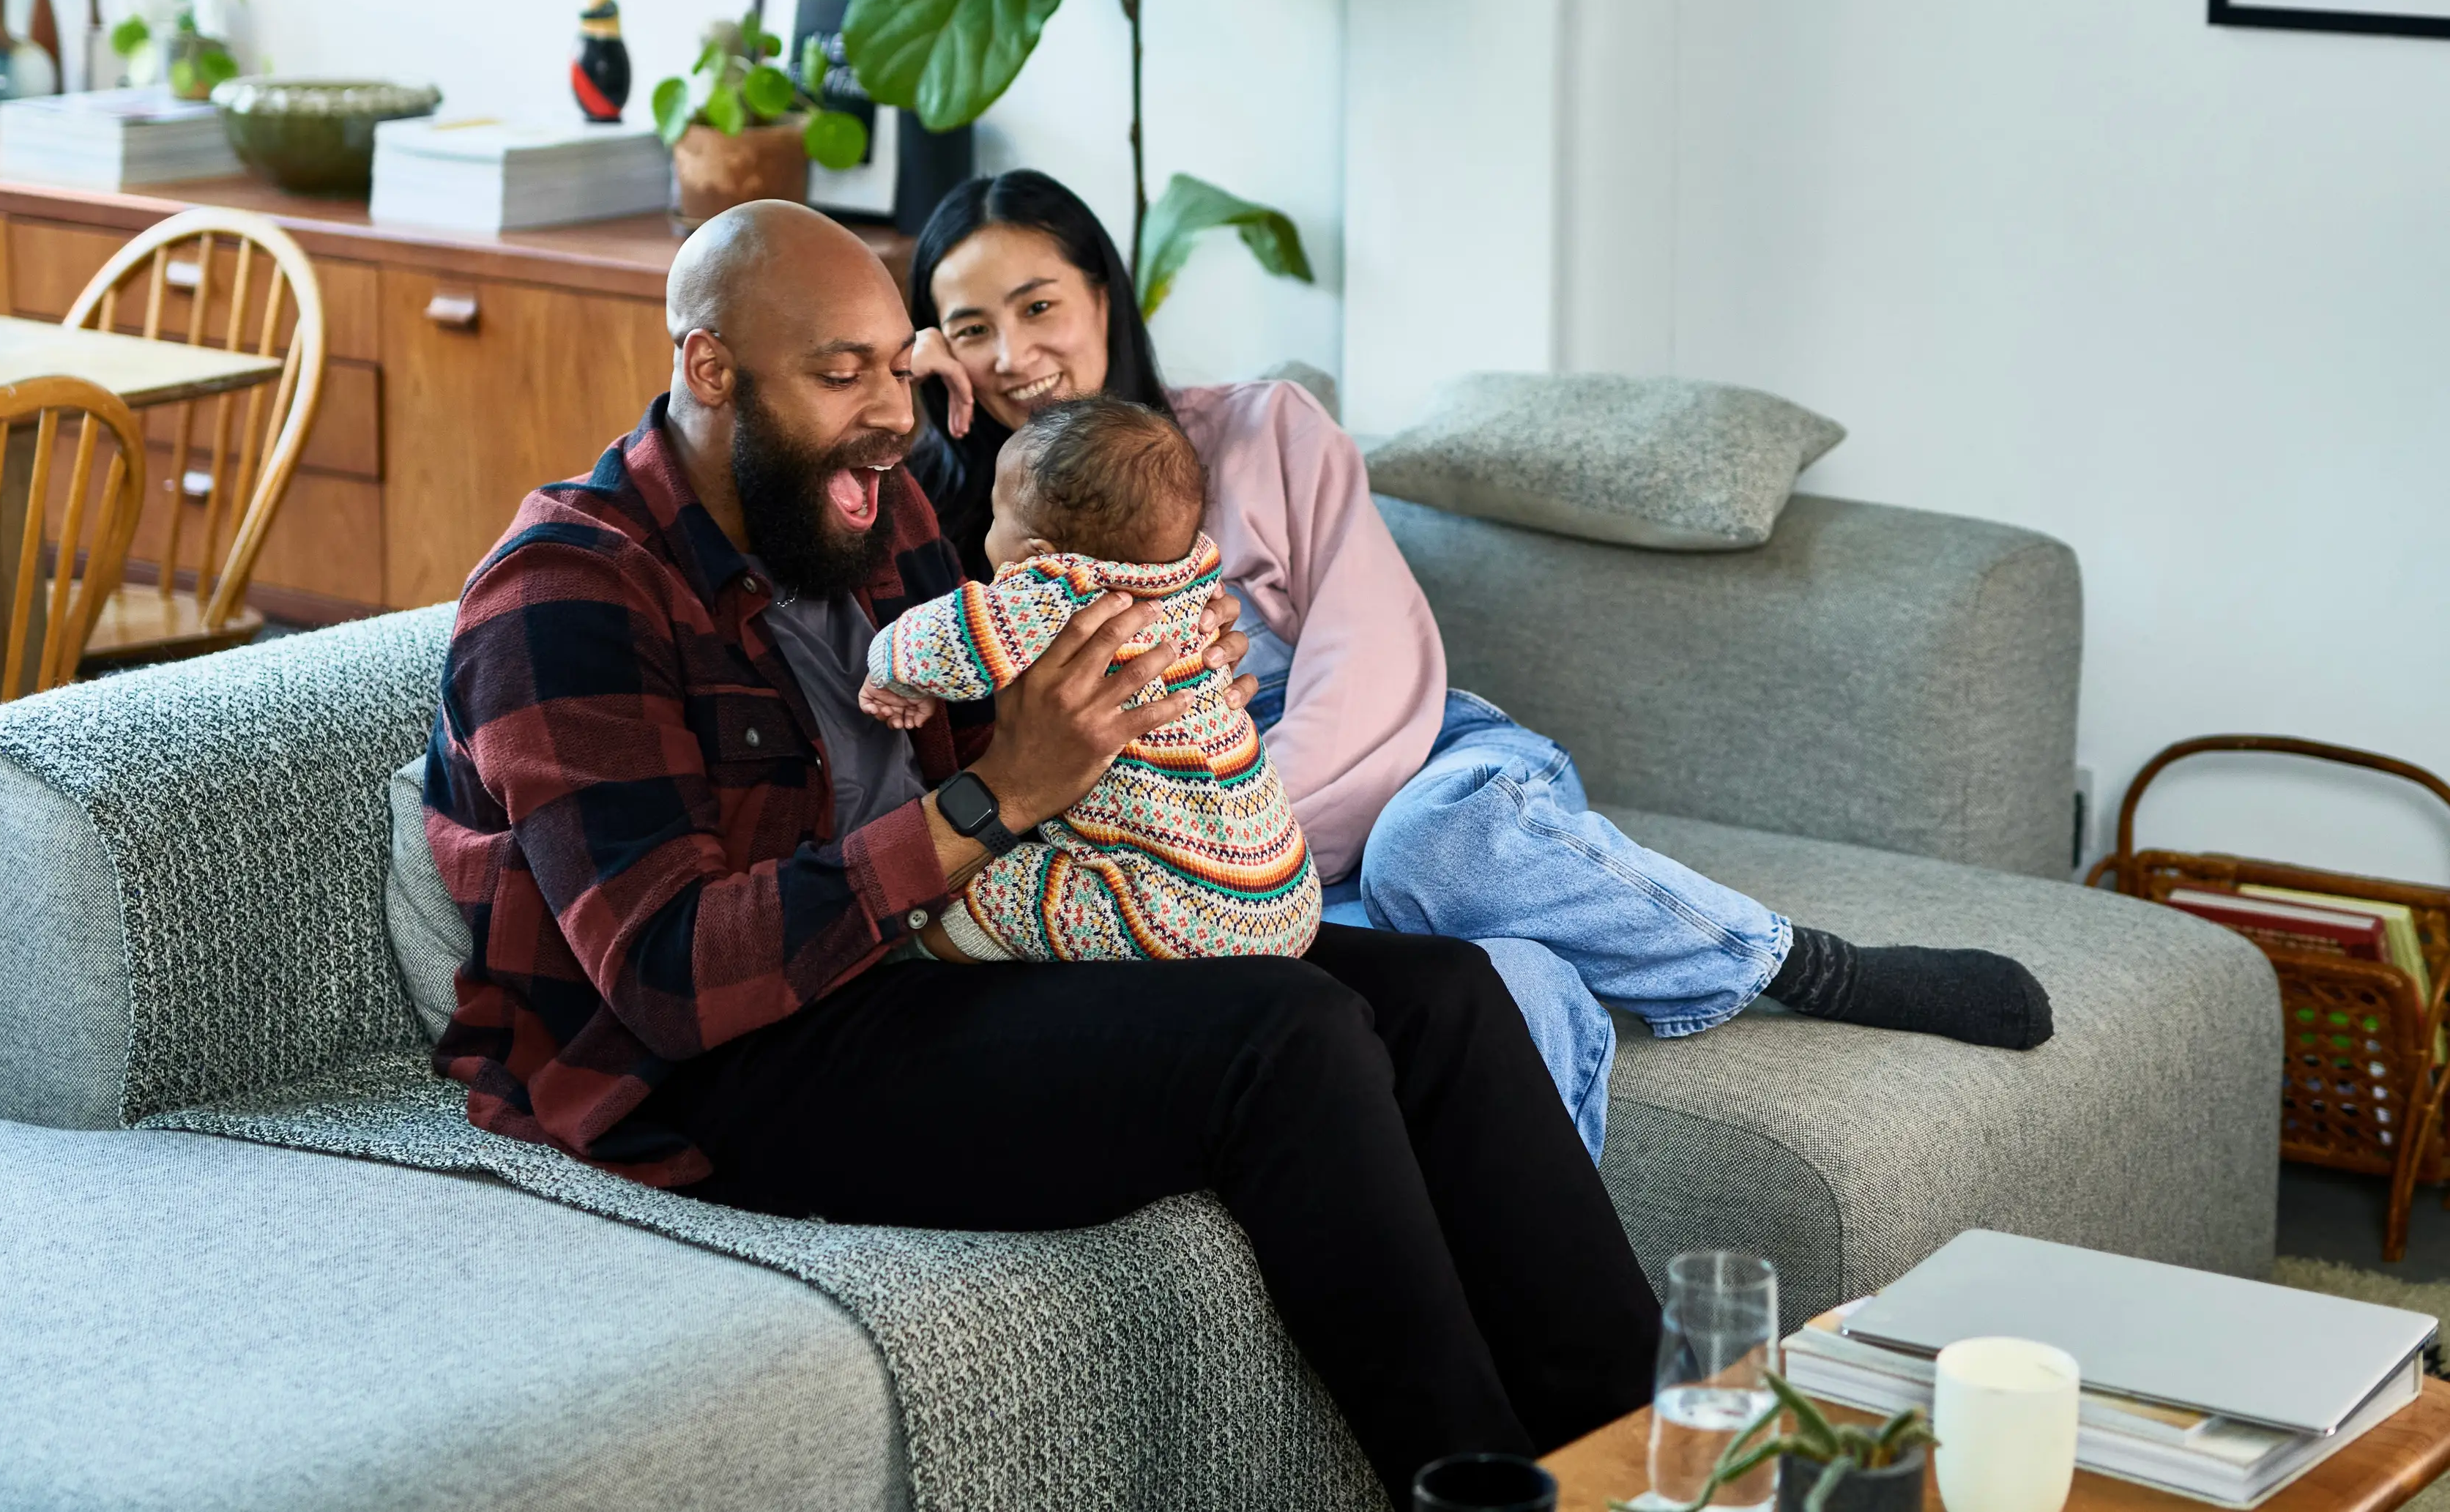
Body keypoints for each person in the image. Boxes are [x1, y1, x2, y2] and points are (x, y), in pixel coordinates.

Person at [423, 198, 1661, 1500]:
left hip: (935, 961)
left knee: (1448, 996)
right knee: (1283, 1035)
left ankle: (1655, 1464)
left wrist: (1153, 686)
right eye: (841, 376)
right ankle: (1480, 1491)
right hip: (728, 1066)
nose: (890, 416)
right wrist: (994, 800)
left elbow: (1017, 644)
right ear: (708, 367)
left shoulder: (866, 508)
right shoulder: (566, 591)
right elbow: (669, 973)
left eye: (895, 368)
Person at [904, 169, 2054, 1161]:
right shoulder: (972, 555)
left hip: (1405, 772)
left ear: (1103, 290)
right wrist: (908, 426)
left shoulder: (1263, 429)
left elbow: (1375, 657)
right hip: (1240, 881)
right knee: (1504, 990)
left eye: (1038, 303)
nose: (1013, 354)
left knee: (1433, 847)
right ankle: (1555, 1363)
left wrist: (1236, 849)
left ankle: (1804, 964)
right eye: (966, 329)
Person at [863, 394, 1320, 964]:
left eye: (995, 514)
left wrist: (891, 671)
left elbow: (948, 640)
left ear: (1040, 552)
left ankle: (922, 954)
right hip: (1286, 892)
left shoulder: (1060, 590)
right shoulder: (1195, 576)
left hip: (1173, 914)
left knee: (1009, 887)